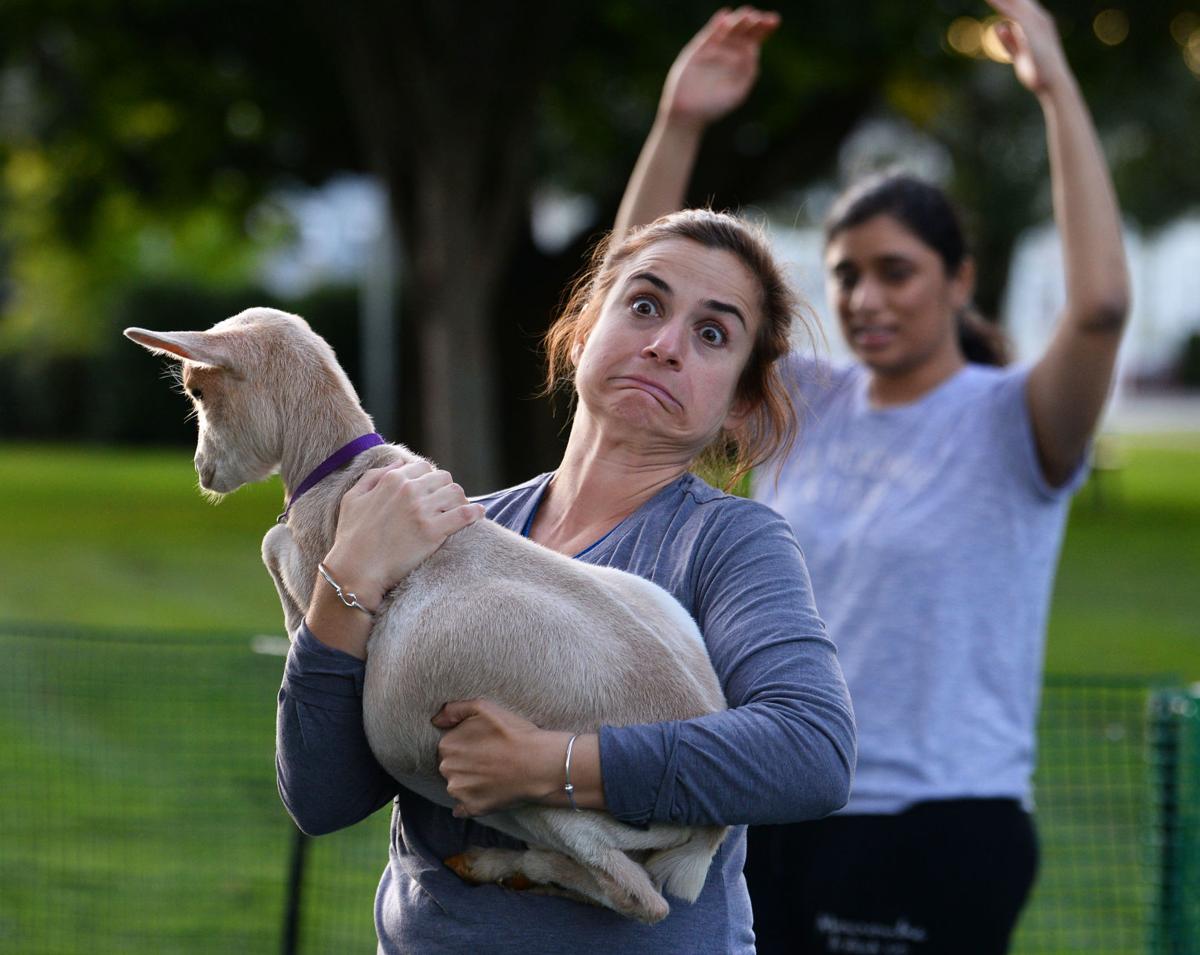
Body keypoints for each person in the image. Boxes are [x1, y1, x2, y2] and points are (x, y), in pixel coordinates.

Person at [613, 2, 1130, 953]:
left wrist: (1056, 88)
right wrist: (680, 122)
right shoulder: (806, 402)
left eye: (897, 271)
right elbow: (638, 291)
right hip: (771, 800)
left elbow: (1099, 307)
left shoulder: (1016, 419)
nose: (866, 298)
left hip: (934, 826)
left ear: (959, 280)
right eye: (847, 275)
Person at [275, 209, 856, 953]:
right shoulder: (449, 528)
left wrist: (554, 766)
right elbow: (324, 797)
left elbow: (811, 752)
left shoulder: (728, 542)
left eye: (713, 334)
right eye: (644, 305)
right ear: (583, 327)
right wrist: (347, 576)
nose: (665, 344)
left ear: (740, 402)